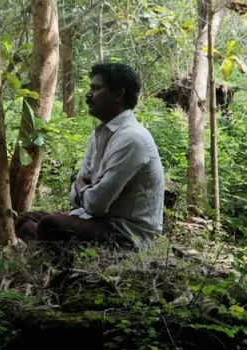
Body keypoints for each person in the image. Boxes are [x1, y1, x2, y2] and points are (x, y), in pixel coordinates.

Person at [16, 63, 165, 250]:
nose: (89, 95)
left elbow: (96, 204)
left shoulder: (132, 139)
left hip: (126, 233)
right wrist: (85, 189)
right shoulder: (101, 134)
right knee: (24, 219)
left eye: (96, 89)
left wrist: (82, 188)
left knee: (50, 224)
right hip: (95, 220)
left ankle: (51, 250)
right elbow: (76, 195)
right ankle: (52, 249)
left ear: (118, 95)